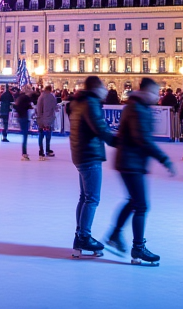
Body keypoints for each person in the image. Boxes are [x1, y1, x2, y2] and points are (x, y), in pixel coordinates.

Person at [104, 78, 174, 266]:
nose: (158, 96)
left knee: (134, 201)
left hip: (130, 160)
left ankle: (115, 234)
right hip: (130, 161)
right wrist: (163, 158)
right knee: (141, 205)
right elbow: (142, 138)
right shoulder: (137, 108)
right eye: (156, 92)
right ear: (146, 92)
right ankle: (137, 247)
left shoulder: (137, 106)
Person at [67, 76, 118, 257]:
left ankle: (80, 236)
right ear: (97, 88)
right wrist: (120, 142)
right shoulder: (91, 103)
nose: (105, 90)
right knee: (92, 199)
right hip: (89, 155)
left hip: (80, 154)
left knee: (85, 197)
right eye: (103, 87)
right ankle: (84, 236)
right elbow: (100, 129)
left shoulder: (77, 102)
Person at [35, 84, 59, 158]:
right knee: (48, 136)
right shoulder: (51, 97)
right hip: (48, 119)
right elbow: (55, 107)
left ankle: (41, 150)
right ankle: (47, 150)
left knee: (41, 135)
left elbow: (38, 109)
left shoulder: (40, 97)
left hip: (40, 119)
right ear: (50, 89)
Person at [14, 86, 36, 161]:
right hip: (24, 117)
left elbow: (16, 107)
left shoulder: (20, 98)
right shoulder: (26, 98)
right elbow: (28, 106)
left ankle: (24, 152)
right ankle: (24, 153)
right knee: (25, 136)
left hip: (21, 117)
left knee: (25, 135)